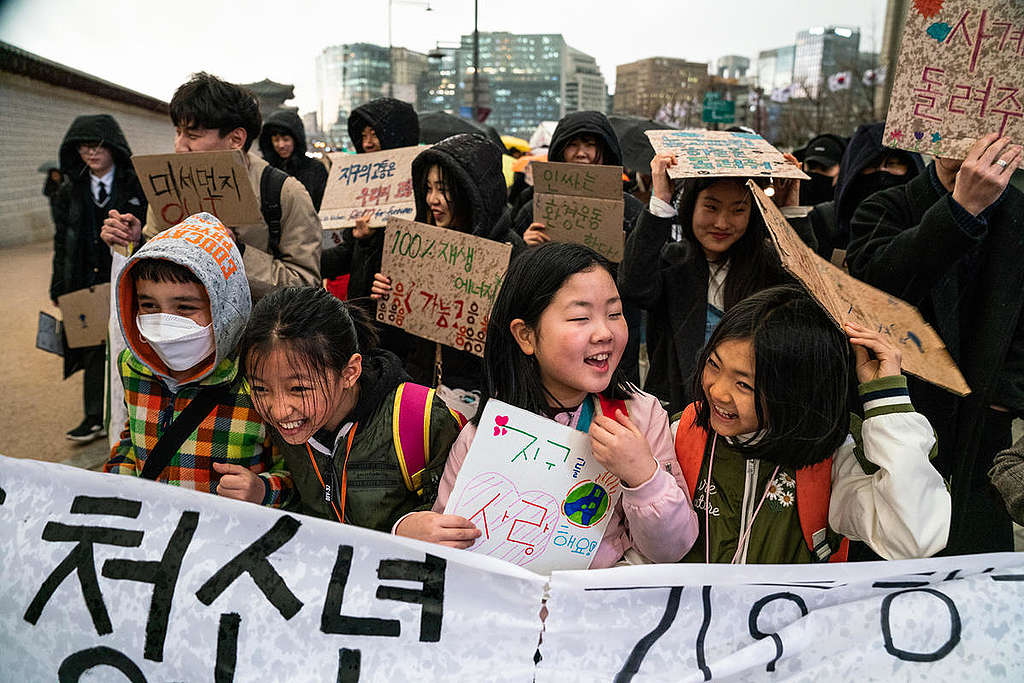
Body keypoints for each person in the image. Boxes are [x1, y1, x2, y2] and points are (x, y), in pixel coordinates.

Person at [395, 243, 699, 566]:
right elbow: (449, 548)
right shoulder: (485, 433)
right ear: (525, 336)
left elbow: (673, 549)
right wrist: (408, 532)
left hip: (600, 609)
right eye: (580, 317)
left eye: (614, 313)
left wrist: (643, 477)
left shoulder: (640, 415)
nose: (605, 332)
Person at [674, 285, 950, 563]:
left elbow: (914, 539)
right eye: (713, 364)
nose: (718, 391)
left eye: (744, 384)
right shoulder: (680, 434)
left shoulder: (835, 461)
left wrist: (887, 402)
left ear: (796, 391)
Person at [847, 132, 1024, 554]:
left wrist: (1003, 399)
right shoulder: (886, 207)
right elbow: (877, 290)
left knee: (973, 569)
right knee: (892, 552)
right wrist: (959, 211)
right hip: (899, 412)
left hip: (984, 432)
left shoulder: (1019, 217)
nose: (965, 147)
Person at [237, 286, 465, 531]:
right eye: (261, 389)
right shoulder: (280, 421)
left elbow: (463, 511)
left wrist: (402, 529)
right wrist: (264, 491)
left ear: (350, 372)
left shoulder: (420, 418)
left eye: (299, 389)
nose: (279, 411)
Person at [105, 213, 294, 507]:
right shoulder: (133, 366)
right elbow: (131, 438)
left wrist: (263, 490)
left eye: (185, 307)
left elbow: (298, 473)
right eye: (148, 305)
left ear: (226, 308)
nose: (164, 320)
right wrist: (118, 476)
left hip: (225, 541)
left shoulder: (259, 383)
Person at [100, 72, 321, 300]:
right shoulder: (170, 185)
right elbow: (154, 268)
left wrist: (234, 253)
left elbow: (305, 288)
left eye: (192, 135)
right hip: (186, 328)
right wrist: (137, 244)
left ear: (236, 139)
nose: (179, 146)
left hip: (255, 332)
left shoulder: (284, 192)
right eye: (177, 132)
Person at [618, 153, 791, 415]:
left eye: (738, 210)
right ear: (691, 207)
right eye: (711, 207)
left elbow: (807, 296)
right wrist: (661, 201)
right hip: (679, 415)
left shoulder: (767, 267)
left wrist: (789, 211)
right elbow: (633, 285)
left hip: (750, 416)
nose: (722, 222)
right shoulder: (672, 261)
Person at [371, 133, 526, 397]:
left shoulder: (513, 254)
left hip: (481, 398)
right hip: (420, 393)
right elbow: (395, 342)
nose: (433, 199)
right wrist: (385, 298)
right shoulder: (416, 246)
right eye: (428, 188)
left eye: (443, 189)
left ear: (471, 191)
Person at [509, 111, 646, 383]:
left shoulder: (630, 209)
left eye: (590, 144)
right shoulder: (534, 208)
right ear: (559, 151)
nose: (581, 153)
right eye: (573, 144)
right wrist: (525, 247)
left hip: (610, 331)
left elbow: (643, 278)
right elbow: (517, 281)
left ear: (605, 150)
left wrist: (630, 250)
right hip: (556, 333)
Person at [52, 114, 147, 442]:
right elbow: (61, 240)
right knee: (91, 347)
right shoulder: (69, 190)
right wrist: (59, 285)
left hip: (125, 277)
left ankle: (132, 415)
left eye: (97, 146)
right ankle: (93, 416)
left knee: (131, 346)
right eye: (83, 147)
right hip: (85, 281)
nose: (90, 153)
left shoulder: (135, 185)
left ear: (113, 148)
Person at [320, 97, 421, 300]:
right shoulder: (363, 192)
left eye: (374, 135)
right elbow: (346, 255)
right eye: (363, 135)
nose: (367, 143)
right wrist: (302, 260)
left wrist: (371, 241)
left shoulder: (419, 191)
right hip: (360, 310)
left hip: (396, 312)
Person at [790, 122, 923, 260]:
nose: (882, 172)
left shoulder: (925, 227)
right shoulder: (825, 221)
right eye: (872, 164)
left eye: (893, 164)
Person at [259, 110, 328, 211]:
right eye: (276, 140)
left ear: (296, 140)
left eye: (286, 139)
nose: (281, 145)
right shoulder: (264, 169)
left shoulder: (315, 169)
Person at [794, 133, 847, 207]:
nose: (816, 172)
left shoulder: (847, 203)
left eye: (825, 168)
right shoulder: (794, 194)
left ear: (842, 169)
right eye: (811, 167)